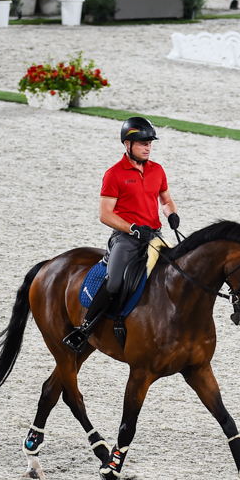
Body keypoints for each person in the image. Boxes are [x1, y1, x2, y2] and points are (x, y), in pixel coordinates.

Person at [63, 117, 180, 353]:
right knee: (114, 281)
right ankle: (85, 328)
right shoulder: (114, 174)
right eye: (142, 143)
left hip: (154, 236)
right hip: (126, 239)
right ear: (128, 145)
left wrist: (172, 214)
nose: (148, 147)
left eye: (150, 143)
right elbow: (105, 214)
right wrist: (133, 228)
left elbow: (165, 200)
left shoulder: (157, 170)